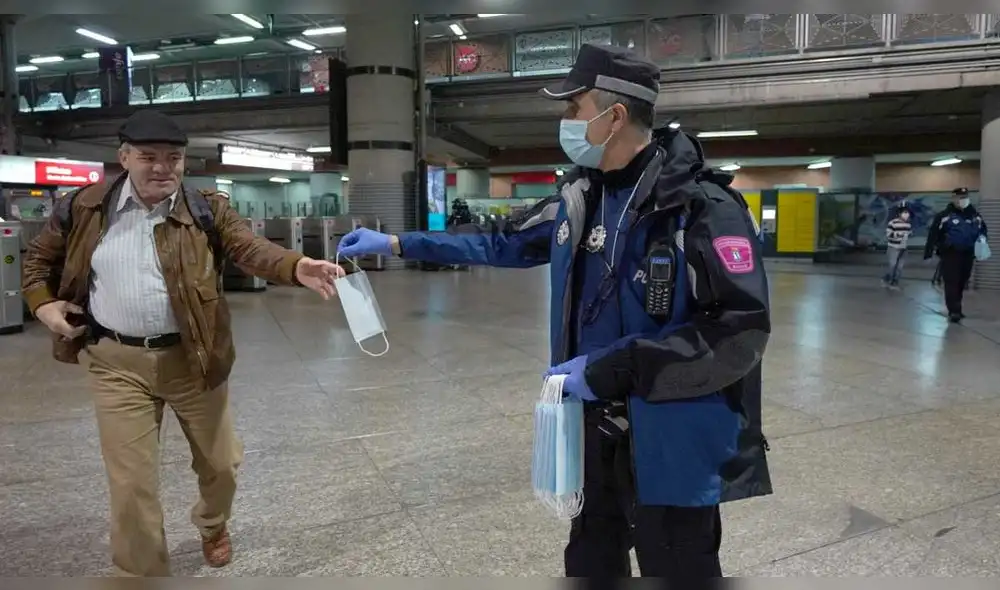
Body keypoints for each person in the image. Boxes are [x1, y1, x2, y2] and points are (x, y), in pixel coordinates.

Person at [337, 43, 773, 580]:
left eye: (574, 108)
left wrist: (611, 368)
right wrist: (399, 244)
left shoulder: (702, 210)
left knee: (678, 568)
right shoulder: (578, 197)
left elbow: (738, 331)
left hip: (671, 443)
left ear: (614, 117)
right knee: (590, 564)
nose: (565, 121)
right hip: (589, 433)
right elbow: (500, 239)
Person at [21, 110, 346, 576]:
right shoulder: (85, 207)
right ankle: (143, 573)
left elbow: (249, 248)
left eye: (173, 158)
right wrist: (42, 305)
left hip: (194, 357)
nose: (162, 168)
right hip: (115, 361)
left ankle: (212, 524)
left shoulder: (205, 208)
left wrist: (295, 266)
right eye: (148, 157)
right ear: (124, 157)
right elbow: (38, 259)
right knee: (131, 485)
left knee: (222, 465)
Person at [924, 187, 988, 322]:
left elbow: (983, 229)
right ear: (953, 199)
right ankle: (953, 310)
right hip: (950, 254)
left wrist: (982, 239)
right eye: (959, 198)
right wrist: (928, 253)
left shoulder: (975, 215)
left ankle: (957, 308)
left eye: (964, 197)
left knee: (962, 281)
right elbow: (933, 234)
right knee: (951, 281)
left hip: (968, 253)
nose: (962, 200)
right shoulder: (944, 216)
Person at [883, 204, 913, 290]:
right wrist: (899, 234)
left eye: (908, 213)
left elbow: (908, 234)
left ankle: (895, 282)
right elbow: (888, 235)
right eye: (905, 213)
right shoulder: (892, 223)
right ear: (900, 213)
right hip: (893, 247)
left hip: (903, 248)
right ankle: (887, 279)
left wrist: (909, 234)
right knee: (892, 265)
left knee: (900, 267)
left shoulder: (908, 225)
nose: (907, 215)